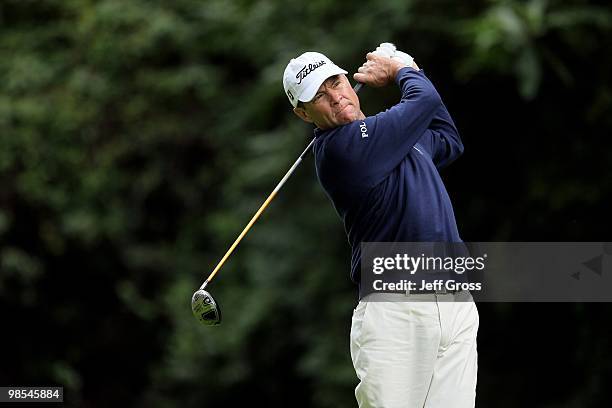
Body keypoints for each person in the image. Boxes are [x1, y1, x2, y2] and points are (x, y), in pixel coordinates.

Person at [283, 46, 479, 408]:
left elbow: (449, 140)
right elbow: (424, 99)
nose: (334, 96)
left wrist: (411, 71)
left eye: (335, 82)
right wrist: (403, 68)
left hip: (455, 304)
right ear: (303, 113)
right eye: (318, 95)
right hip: (396, 314)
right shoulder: (340, 150)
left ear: (349, 81)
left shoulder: (393, 136)